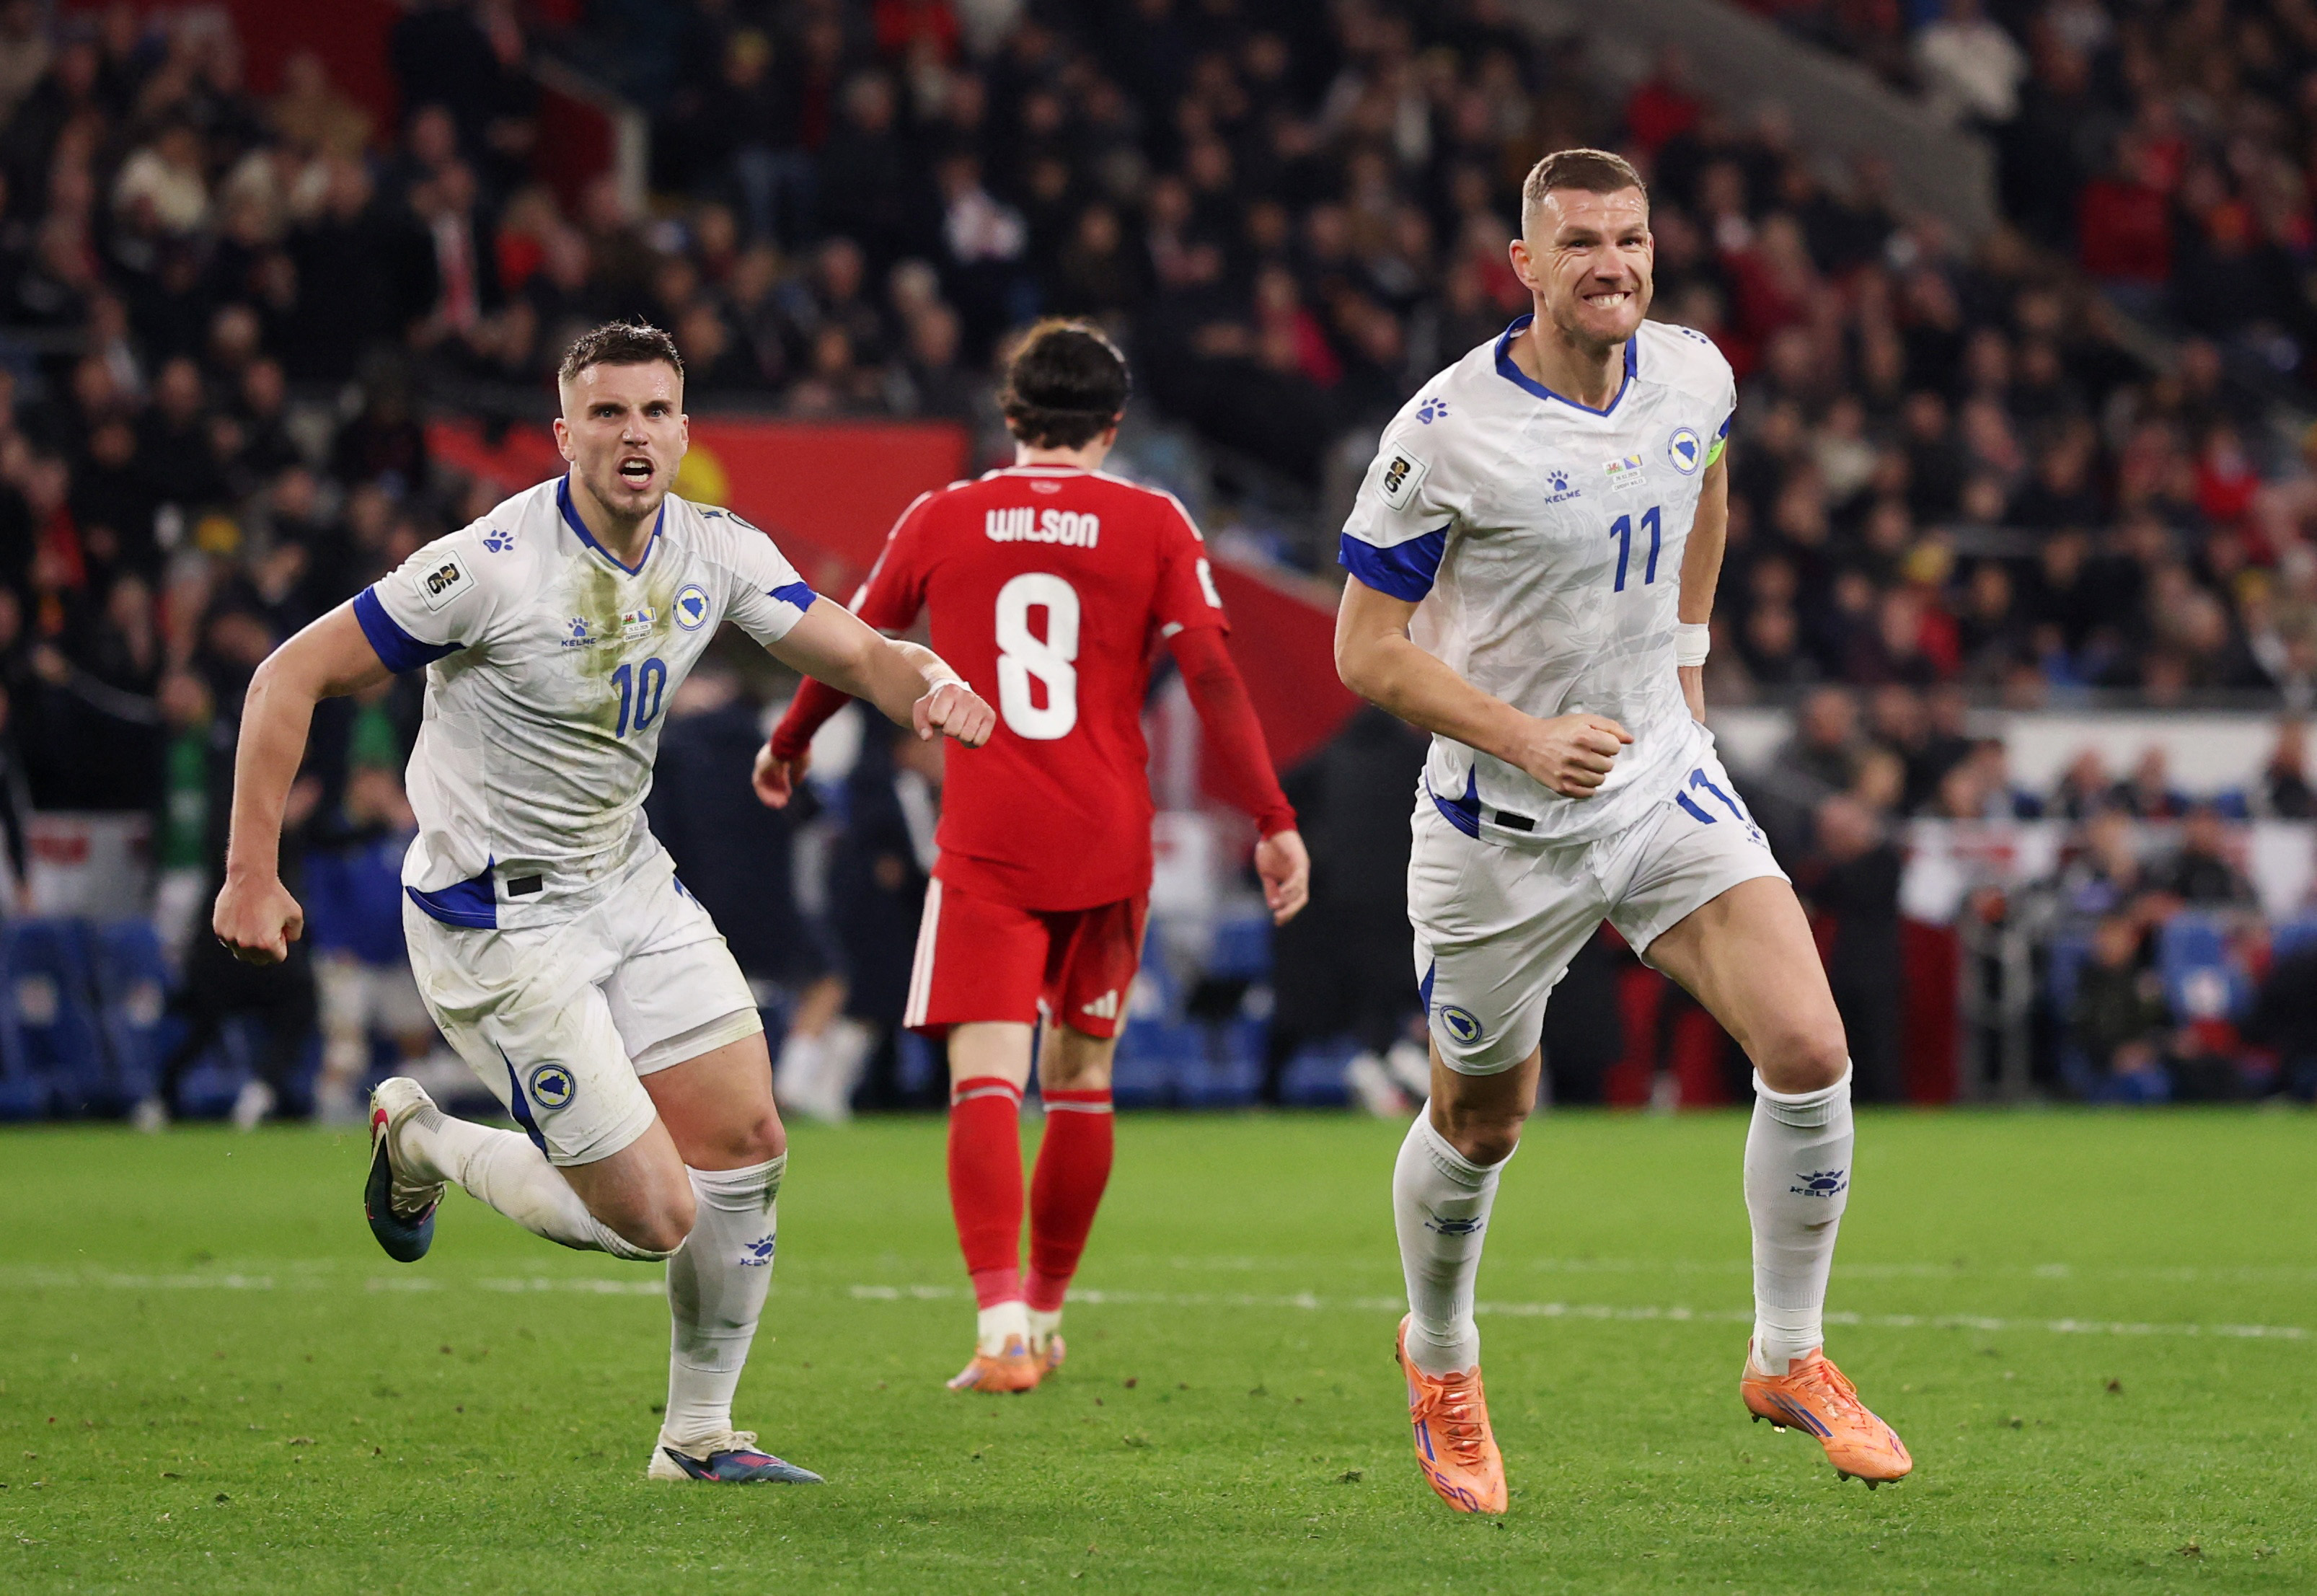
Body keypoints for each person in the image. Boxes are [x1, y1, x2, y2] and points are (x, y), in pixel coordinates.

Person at [209, 321, 996, 1485]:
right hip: (498, 922)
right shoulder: (485, 563)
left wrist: (924, 683)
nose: (636, 434)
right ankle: (421, 1135)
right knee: (655, 1216)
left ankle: (698, 1436)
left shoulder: (714, 547)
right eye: (611, 412)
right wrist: (249, 869)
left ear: (685, 429)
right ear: (564, 430)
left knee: (749, 1142)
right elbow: (291, 674)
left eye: (657, 412)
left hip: (627, 882)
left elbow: (858, 651)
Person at [1333, 149, 1912, 1516]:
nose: (1614, 264)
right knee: (1481, 1123)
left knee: (1810, 1044)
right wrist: (1525, 734)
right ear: (1522, 265)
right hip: (1498, 824)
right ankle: (1440, 1354)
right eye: (1581, 242)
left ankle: (1788, 1355)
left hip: (1658, 781)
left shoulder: (1694, 372)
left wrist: (1689, 657)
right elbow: (1365, 649)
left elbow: (1706, 487)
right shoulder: (1446, 430)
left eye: (1634, 239)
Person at [762, 319, 1311, 1393]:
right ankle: (1050, 1313)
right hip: (1108, 838)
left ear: (1009, 421)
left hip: (990, 837)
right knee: (1081, 1081)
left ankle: (1004, 1324)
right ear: (1112, 429)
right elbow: (1209, 676)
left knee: (985, 1082)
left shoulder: (942, 515)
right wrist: (1271, 814)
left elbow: (856, 645)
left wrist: (789, 742)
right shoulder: (1154, 519)